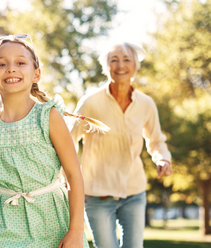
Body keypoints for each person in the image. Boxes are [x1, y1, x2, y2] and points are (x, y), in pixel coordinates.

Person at [0, 34, 108, 248]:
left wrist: (76, 230)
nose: (11, 68)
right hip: (3, 222)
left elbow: (73, 174)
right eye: (2, 64)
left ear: (36, 74)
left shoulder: (48, 116)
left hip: (50, 221)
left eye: (20, 63)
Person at [70, 42, 172, 248]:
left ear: (135, 66)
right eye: (113, 60)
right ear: (105, 66)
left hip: (134, 191)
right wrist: (67, 176)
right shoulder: (90, 102)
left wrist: (162, 158)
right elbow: (69, 139)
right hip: (97, 193)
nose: (120, 65)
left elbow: (155, 140)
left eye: (126, 59)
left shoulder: (145, 104)